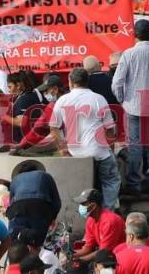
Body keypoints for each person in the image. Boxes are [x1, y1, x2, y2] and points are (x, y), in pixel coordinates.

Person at [112, 20, 149, 196]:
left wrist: (123, 100)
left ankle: (134, 183)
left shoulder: (128, 55)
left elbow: (117, 83)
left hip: (133, 106)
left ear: (134, 34)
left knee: (135, 146)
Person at [50, 68, 121, 209]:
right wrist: (110, 149)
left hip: (75, 154)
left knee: (81, 187)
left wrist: (63, 150)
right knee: (111, 181)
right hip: (99, 152)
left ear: (70, 82)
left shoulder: (62, 100)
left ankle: (85, 217)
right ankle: (107, 213)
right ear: (87, 81)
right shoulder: (98, 99)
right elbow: (109, 129)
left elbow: (54, 128)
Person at [7, 160, 61, 246]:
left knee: (17, 243)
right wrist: (51, 218)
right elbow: (57, 202)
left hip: (17, 211)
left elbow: (10, 203)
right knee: (37, 241)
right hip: (40, 209)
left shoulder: (15, 180)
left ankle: (18, 253)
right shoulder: (46, 176)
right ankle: (36, 255)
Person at [73, 188, 125, 263]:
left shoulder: (109, 222)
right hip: (104, 255)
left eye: (83, 204)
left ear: (93, 206)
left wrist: (81, 259)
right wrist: (73, 255)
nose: (80, 206)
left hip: (118, 258)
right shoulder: (90, 220)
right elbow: (88, 247)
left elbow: (103, 252)